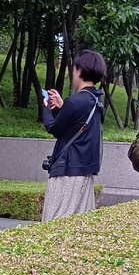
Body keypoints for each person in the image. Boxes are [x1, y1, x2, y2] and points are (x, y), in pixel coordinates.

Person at [41, 49, 106, 221]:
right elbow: (77, 124)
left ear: (80, 70)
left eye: (74, 69)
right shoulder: (96, 101)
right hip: (85, 173)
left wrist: (46, 108)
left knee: (53, 222)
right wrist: (63, 106)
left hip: (67, 173)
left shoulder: (75, 101)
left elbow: (54, 129)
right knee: (78, 224)